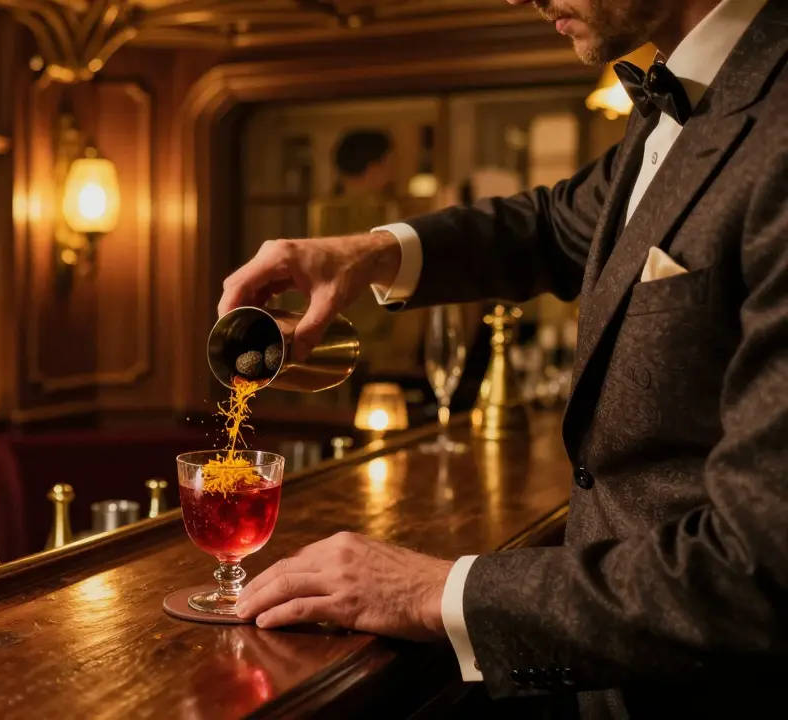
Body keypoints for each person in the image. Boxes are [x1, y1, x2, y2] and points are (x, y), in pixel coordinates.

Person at [218, 0, 788, 716]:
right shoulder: (693, 89)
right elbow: (552, 225)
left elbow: (757, 569)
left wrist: (435, 591)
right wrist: (367, 252)